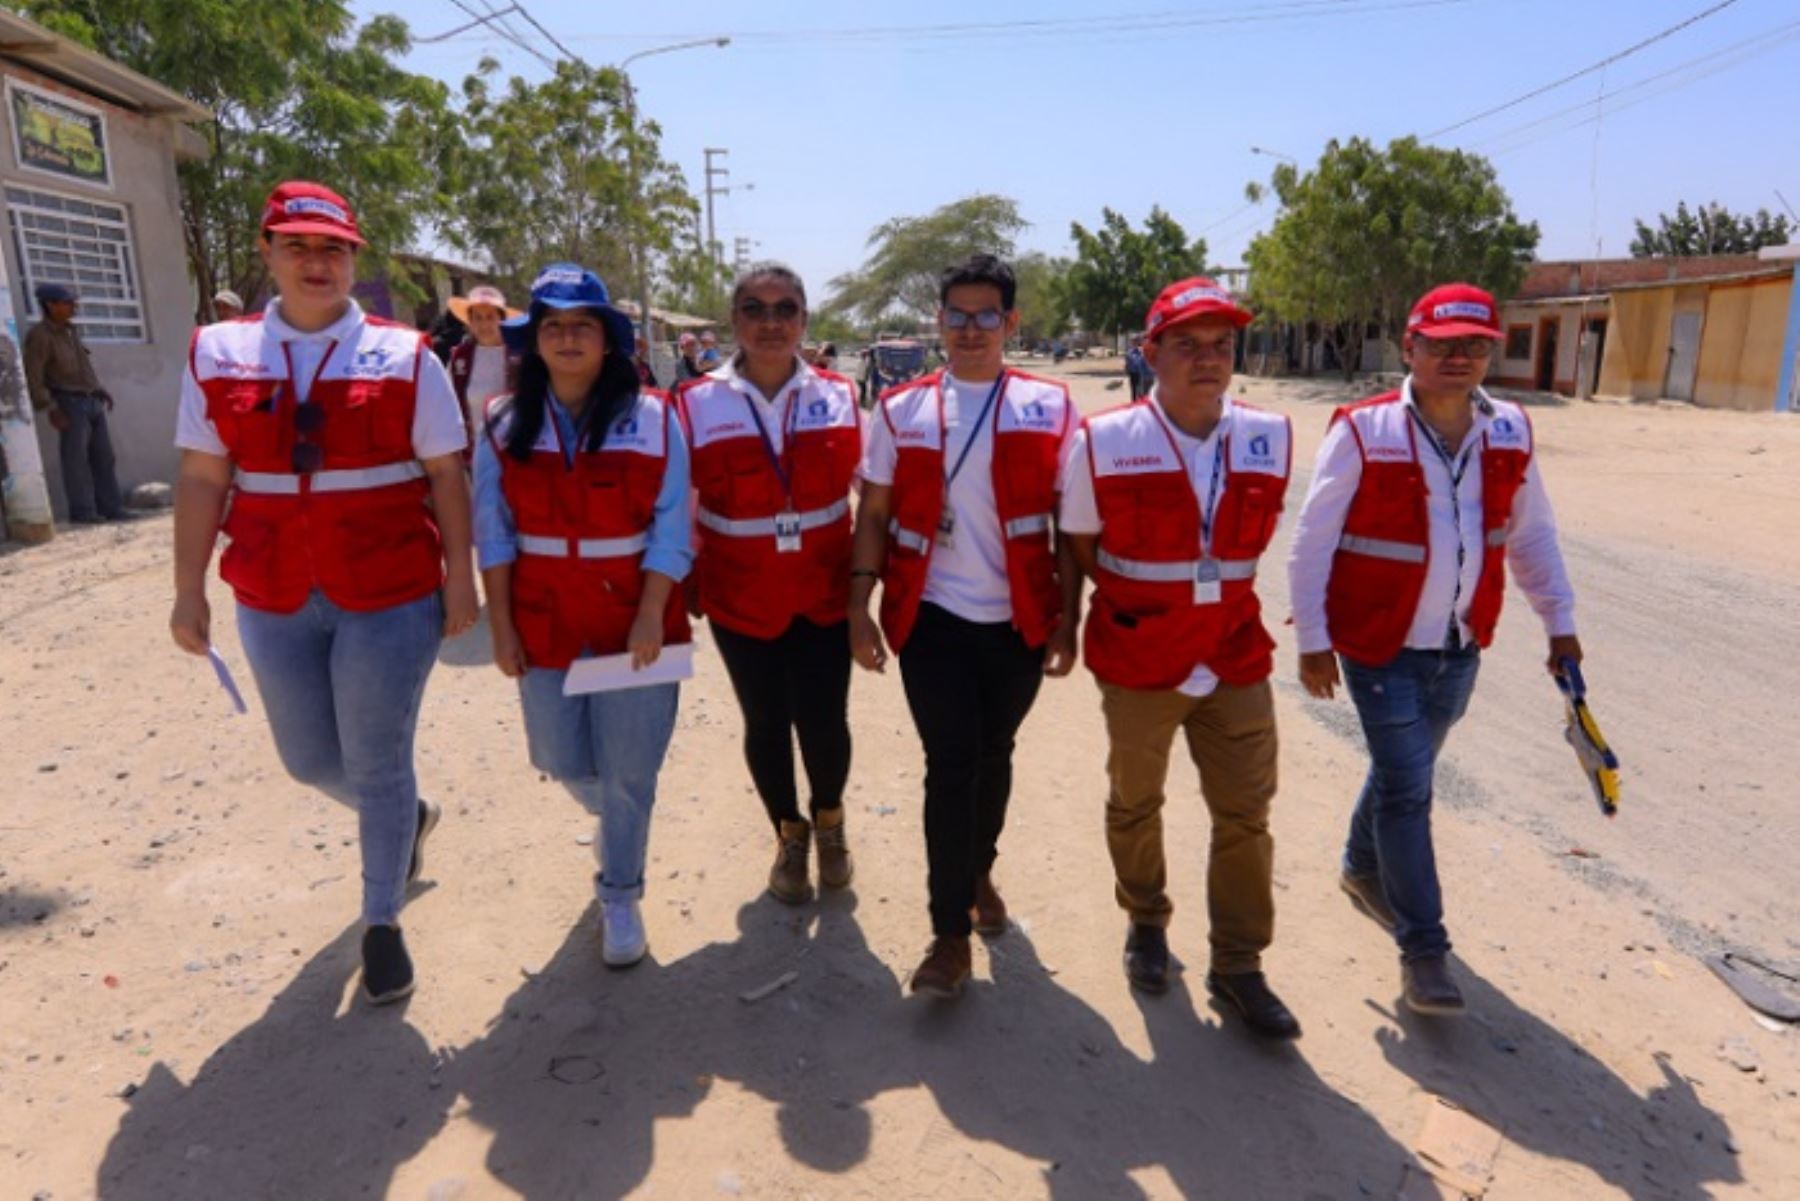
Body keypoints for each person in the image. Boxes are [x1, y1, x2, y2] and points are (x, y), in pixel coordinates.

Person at [168, 181, 479, 1005]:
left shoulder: (408, 355)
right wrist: (186, 590)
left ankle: (382, 921)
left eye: (334, 248)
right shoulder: (218, 352)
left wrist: (461, 577)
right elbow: (203, 477)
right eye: (298, 246)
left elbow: (447, 473)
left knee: (377, 761)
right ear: (267, 251)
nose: (317, 262)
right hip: (271, 592)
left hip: (388, 589)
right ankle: (406, 818)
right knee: (309, 760)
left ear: (354, 260)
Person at [1286, 282, 1581, 1016]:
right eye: (1442, 344)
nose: (1459, 357)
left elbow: (1530, 533)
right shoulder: (1363, 429)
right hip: (1378, 644)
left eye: (1475, 345)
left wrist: (1560, 621)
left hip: (1461, 644)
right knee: (1411, 788)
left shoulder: (1509, 428)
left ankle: (1361, 866)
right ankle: (1425, 952)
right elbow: (1311, 543)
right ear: (1409, 346)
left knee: (1403, 772)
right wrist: (1314, 641)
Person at [1059, 278, 1299, 1039]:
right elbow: (1078, 547)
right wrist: (1080, 623)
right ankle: (1148, 921)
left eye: (1222, 346)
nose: (1208, 360)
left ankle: (1239, 965)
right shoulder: (1102, 441)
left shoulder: (1271, 434)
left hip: (1235, 653)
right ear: (1150, 352)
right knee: (1136, 802)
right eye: (1188, 345)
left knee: (1246, 814)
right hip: (1139, 652)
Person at [849, 253, 1078, 999]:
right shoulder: (901, 409)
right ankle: (949, 934)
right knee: (951, 765)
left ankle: (978, 863)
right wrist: (859, 605)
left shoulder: (1051, 407)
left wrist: (1067, 620)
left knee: (996, 752)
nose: (971, 330)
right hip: (931, 616)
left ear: (1010, 323)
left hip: (1018, 618)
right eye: (957, 315)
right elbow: (875, 513)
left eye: (987, 316)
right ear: (938, 321)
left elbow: (1070, 528)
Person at [474, 264, 692, 967]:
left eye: (583, 326)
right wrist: (500, 624)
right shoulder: (505, 423)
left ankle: (620, 891)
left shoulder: (655, 417)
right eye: (554, 326)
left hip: (633, 613)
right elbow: (493, 527)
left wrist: (653, 610)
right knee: (559, 756)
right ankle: (617, 819)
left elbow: (672, 525)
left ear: (609, 341)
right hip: (543, 615)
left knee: (630, 769)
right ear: (534, 341)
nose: (568, 338)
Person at [676, 263, 861, 904]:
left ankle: (831, 821)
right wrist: (683, 583)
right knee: (764, 720)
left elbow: (876, 492)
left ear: (805, 320)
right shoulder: (695, 402)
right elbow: (681, 503)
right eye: (755, 309)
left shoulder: (840, 396)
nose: (771, 322)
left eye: (785, 309)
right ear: (736, 322)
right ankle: (790, 832)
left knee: (824, 718)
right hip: (738, 592)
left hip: (824, 587)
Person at [23, 282, 124, 524]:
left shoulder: (70, 331)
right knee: (75, 460)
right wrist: (49, 408)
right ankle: (83, 512)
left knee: (104, 457)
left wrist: (99, 389)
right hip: (68, 402)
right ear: (51, 305)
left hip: (91, 400)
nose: (73, 307)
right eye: (67, 303)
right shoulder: (40, 336)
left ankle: (111, 508)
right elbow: (33, 375)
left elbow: (82, 366)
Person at [446, 286, 518, 452]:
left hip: (515, 451)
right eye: (477, 318)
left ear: (502, 320)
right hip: (476, 452)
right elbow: (447, 405)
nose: (484, 323)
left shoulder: (519, 356)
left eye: (490, 317)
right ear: (470, 322)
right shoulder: (459, 359)